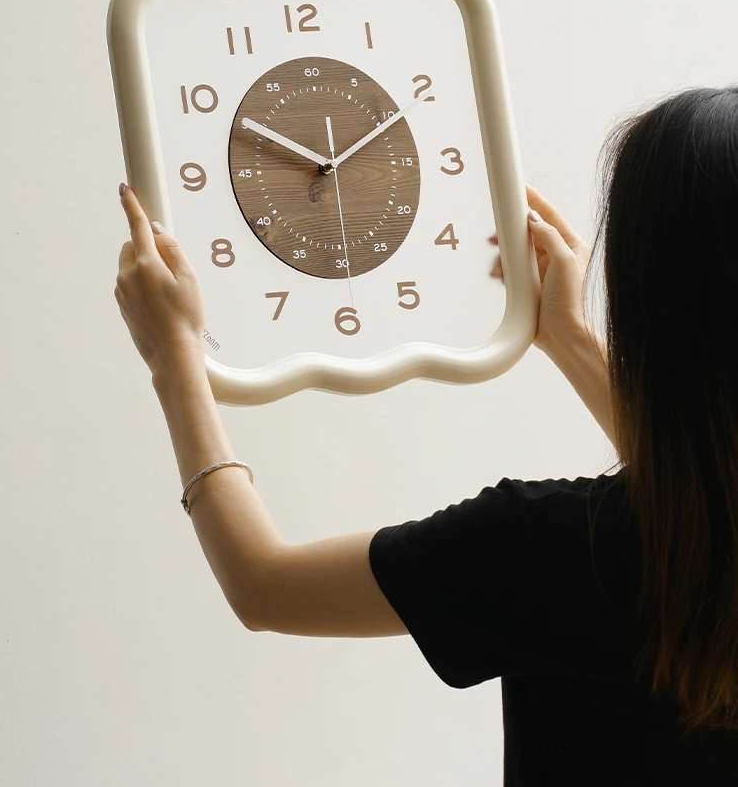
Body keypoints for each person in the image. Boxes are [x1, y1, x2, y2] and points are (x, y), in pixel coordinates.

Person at [114, 84, 738, 785]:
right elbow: (700, 495)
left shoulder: (551, 551)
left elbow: (265, 583)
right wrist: (570, 341)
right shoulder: (662, 542)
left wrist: (174, 357)